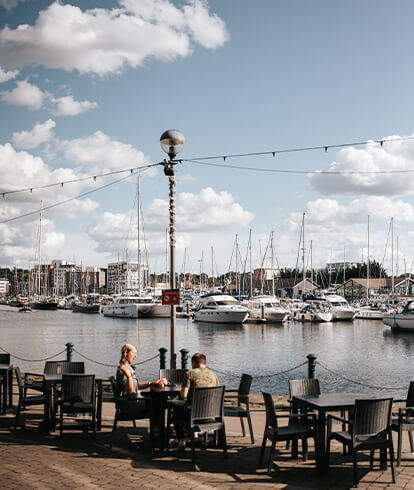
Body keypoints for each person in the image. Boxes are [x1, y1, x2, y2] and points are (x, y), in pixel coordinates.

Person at [171, 352, 219, 448]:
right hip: (211, 414)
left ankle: (181, 439)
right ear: (204, 363)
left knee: (175, 411)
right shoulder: (213, 375)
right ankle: (194, 433)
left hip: (193, 414)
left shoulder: (190, 374)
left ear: (193, 363)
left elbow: (183, 395)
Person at [116, 344, 164, 419]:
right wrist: (128, 376)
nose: (135, 356)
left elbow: (136, 386)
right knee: (159, 401)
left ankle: (157, 428)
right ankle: (157, 429)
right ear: (126, 353)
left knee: (157, 397)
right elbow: (130, 391)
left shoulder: (129, 368)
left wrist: (151, 383)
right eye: (134, 353)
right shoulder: (123, 369)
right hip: (130, 404)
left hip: (134, 400)